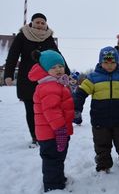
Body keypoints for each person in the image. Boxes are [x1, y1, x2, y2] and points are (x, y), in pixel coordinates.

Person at [3, 13, 70, 148]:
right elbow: (13, 55)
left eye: (42, 23)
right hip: (27, 78)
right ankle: (35, 136)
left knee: (49, 107)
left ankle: (48, 132)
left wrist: (67, 73)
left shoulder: (48, 37)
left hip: (46, 79)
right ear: (32, 23)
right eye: (37, 22)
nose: (40, 25)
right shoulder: (22, 35)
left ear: (46, 25)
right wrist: (8, 74)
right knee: (31, 109)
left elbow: (58, 56)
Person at [74, 46, 119, 172]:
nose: (109, 65)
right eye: (106, 62)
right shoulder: (93, 77)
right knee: (102, 145)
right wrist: (77, 107)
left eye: (112, 62)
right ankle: (104, 166)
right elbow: (81, 92)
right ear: (100, 62)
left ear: (117, 62)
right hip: (100, 120)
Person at [27, 50, 74, 192]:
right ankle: (53, 186)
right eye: (53, 67)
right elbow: (51, 110)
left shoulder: (56, 84)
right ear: (45, 69)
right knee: (52, 160)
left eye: (60, 66)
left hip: (54, 132)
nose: (58, 69)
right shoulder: (49, 87)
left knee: (57, 158)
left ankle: (57, 179)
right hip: (52, 133)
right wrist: (60, 129)